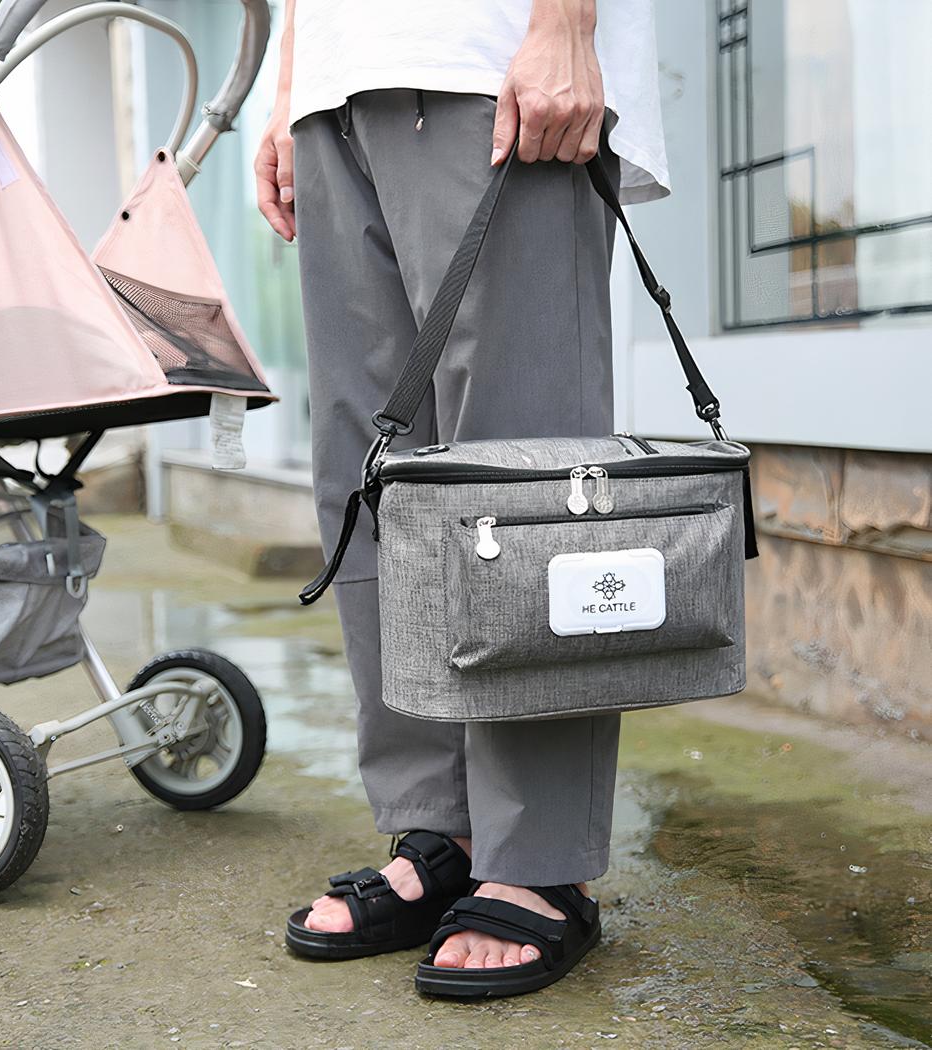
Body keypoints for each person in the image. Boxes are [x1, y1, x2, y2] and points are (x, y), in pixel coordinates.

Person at [255, 0, 669, 997]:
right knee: (373, 479)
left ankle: (540, 860)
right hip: (336, 85)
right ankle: (443, 826)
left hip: (490, 57)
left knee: (524, 479)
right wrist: (289, 82)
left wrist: (566, 23)